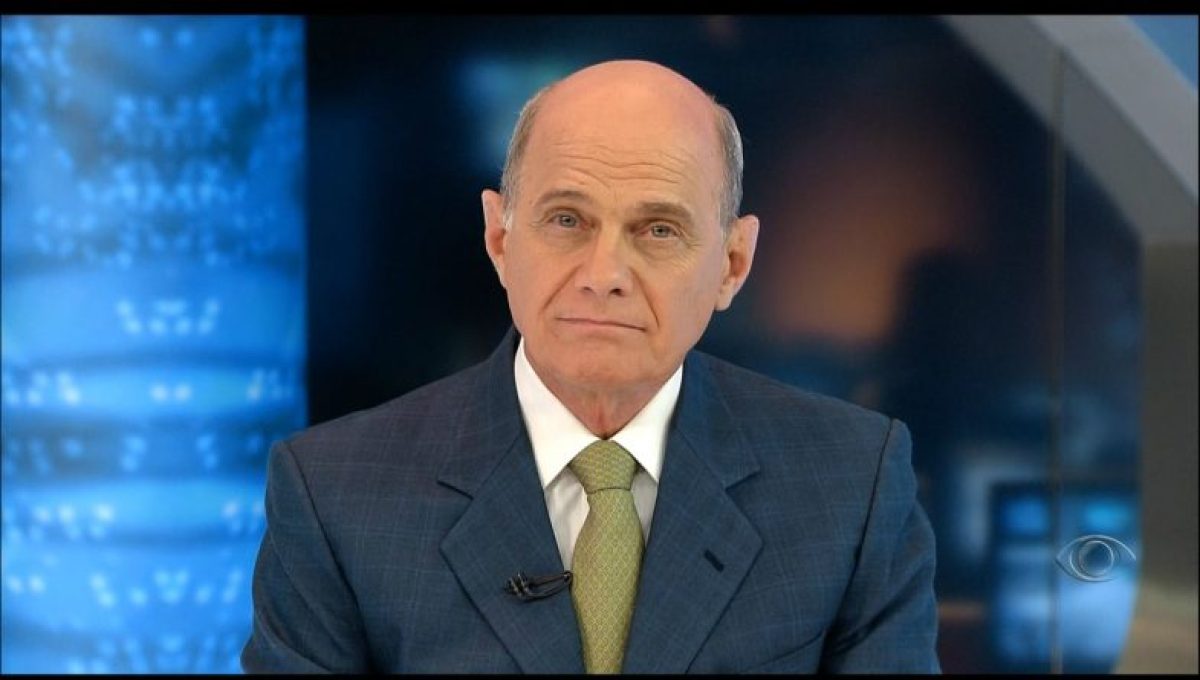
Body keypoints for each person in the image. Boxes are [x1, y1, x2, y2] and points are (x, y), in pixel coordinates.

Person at [241, 59, 940, 674]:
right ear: (499, 238)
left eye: (658, 229)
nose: (603, 275)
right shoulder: (333, 495)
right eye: (567, 220)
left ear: (732, 263)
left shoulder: (854, 485)